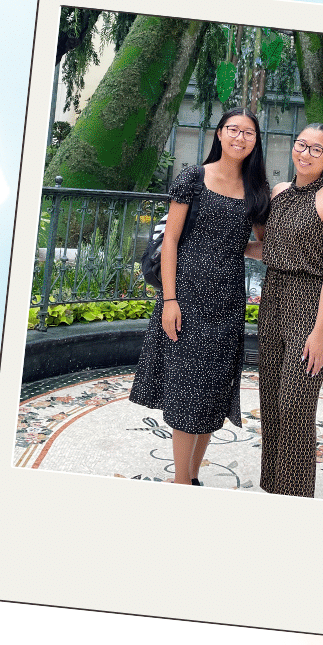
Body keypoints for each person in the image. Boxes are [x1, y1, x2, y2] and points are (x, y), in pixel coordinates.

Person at [130, 107, 271, 484]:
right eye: (233, 129)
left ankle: (192, 478)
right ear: (219, 134)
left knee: (211, 389)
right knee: (184, 388)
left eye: (249, 133)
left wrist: (296, 250)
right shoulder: (193, 177)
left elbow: (260, 245)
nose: (240, 137)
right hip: (186, 298)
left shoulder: (257, 191)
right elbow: (171, 240)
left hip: (226, 300)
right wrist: (170, 300)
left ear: (256, 142)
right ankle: (180, 482)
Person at [255, 123, 323, 498]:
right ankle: (273, 486)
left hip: (310, 307)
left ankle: (295, 496)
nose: (306, 153)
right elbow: (271, 251)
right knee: (270, 399)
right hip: (273, 300)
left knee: (294, 405)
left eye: (317, 149)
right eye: (301, 145)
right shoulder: (280, 193)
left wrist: (318, 333)